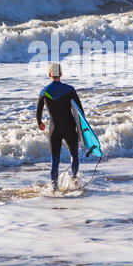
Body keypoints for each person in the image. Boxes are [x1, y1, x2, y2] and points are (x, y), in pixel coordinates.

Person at [36, 63, 84, 191]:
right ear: (61, 74)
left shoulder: (44, 91)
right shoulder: (69, 89)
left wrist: (40, 123)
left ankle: (53, 188)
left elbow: (38, 112)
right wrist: (82, 129)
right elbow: (80, 111)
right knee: (74, 155)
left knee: (55, 160)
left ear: (49, 74)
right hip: (69, 127)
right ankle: (74, 181)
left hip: (54, 129)